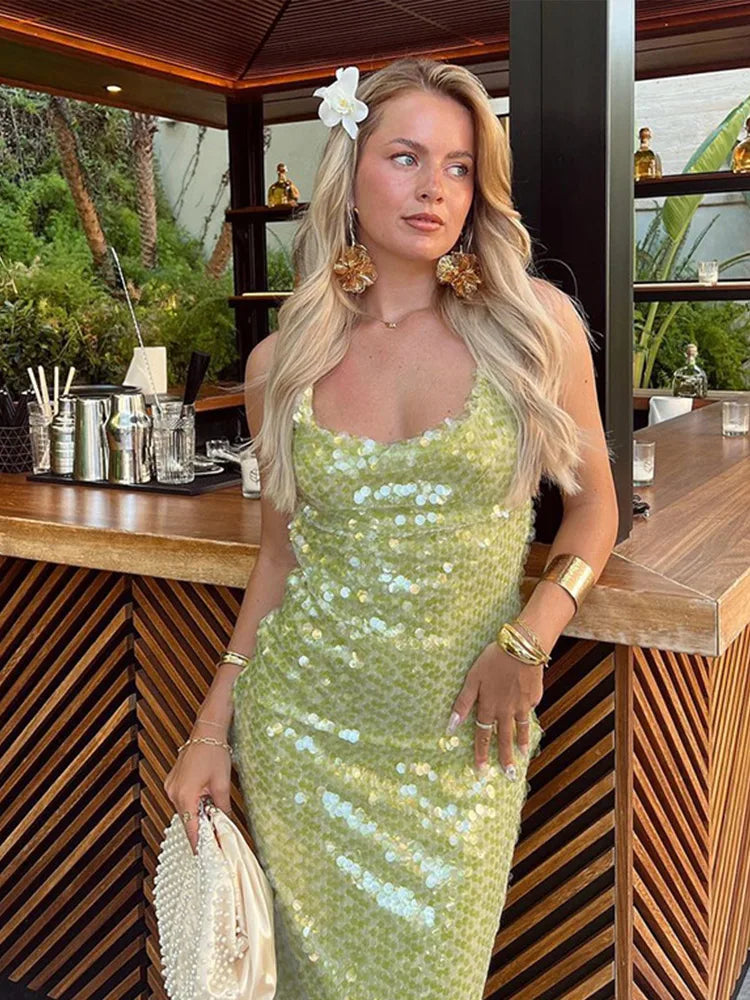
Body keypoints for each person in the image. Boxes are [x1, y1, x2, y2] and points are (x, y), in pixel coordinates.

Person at [165, 56, 619, 1000]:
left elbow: (594, 509)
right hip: (300, 731)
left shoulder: (535, 328)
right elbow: (281, 559)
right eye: (407, 158)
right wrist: (212, 730)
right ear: (351, 171)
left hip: (458, 749)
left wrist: (527, 638)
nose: (435, 188)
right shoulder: (281, 361)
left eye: (458, 167)